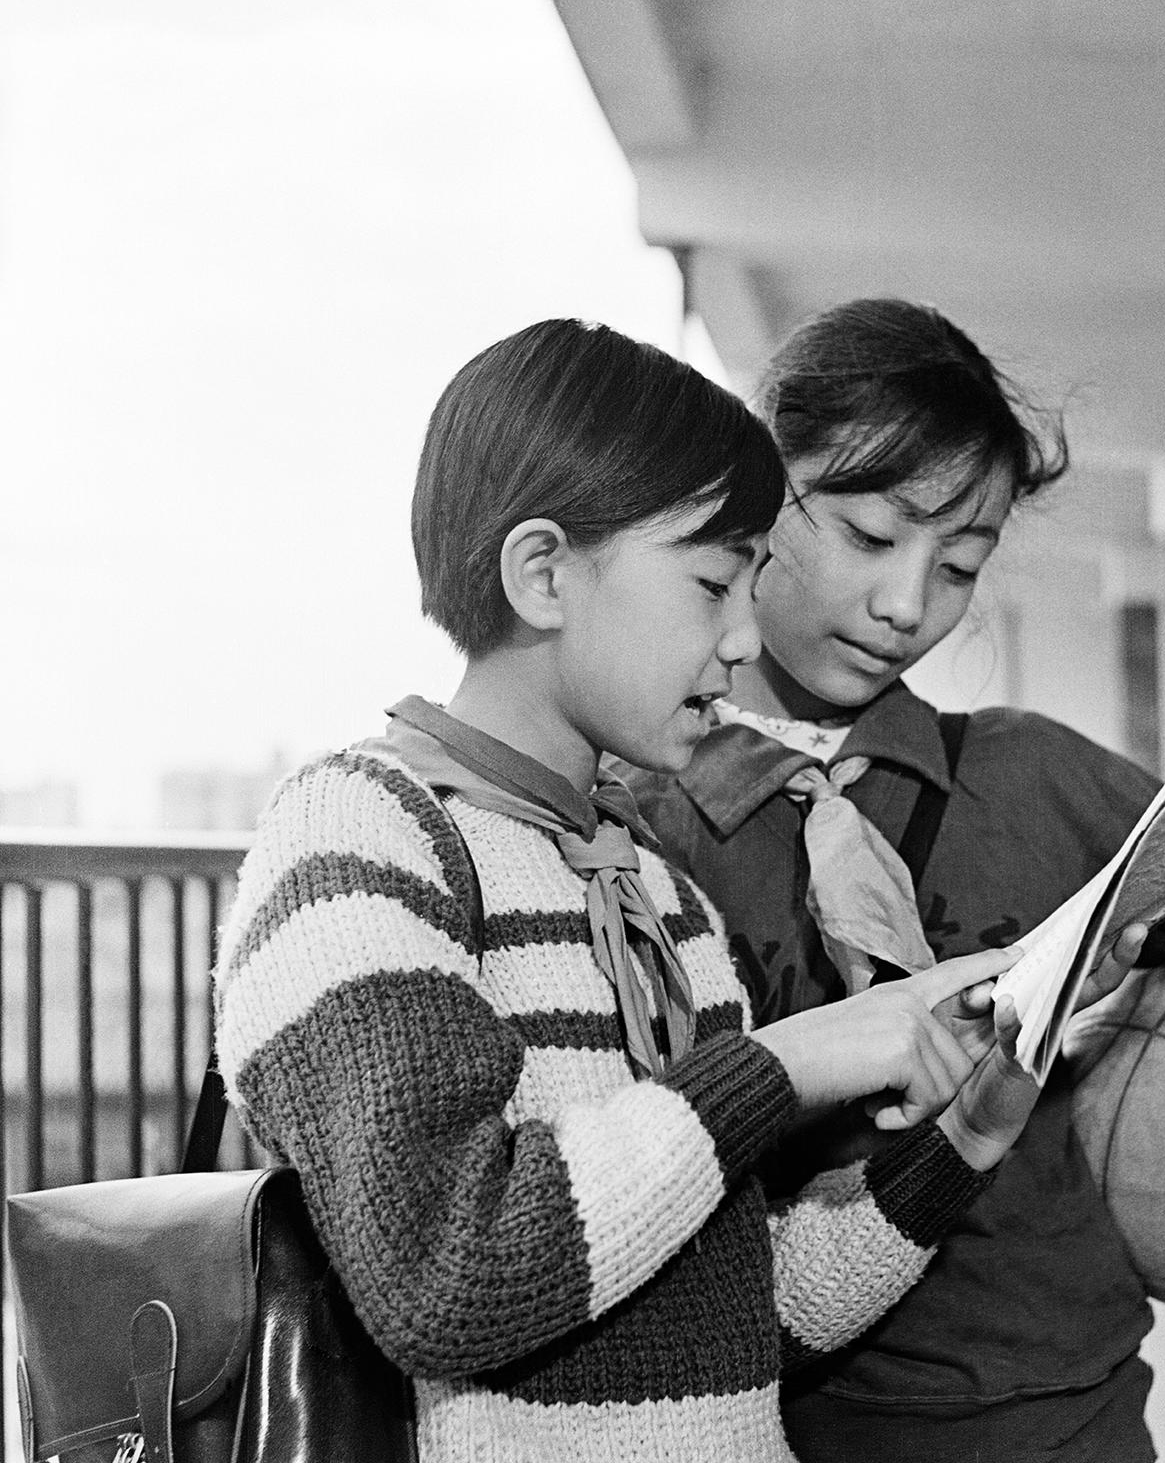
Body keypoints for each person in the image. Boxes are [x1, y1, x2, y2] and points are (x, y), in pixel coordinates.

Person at [622, 298, 1165, 1462]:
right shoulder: (639, 831)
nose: (907, 606)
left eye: (959, 566)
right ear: (756, 496)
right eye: (871, 536)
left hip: (1075, 1419)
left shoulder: (1039, 779)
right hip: (784, 1430)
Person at [212, 317, 1056, 1463]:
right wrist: (788, 1061)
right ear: (544, 574)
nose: (744, 637)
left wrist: (960, 1141)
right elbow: (449, 1279)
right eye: (712, 584)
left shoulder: (663, 898)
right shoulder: (361, 835)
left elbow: (740, 1319)